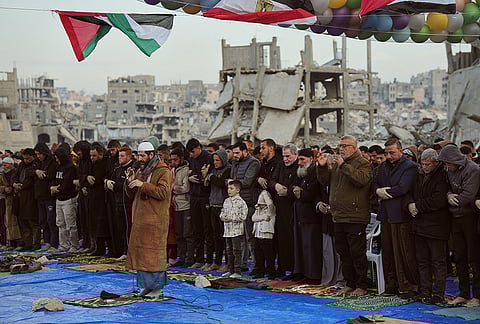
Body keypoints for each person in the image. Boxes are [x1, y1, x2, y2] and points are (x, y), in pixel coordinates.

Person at [317, 135, 372, 296]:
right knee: (344, 252)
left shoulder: (363, 164)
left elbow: (361, 180)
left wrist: (343, 165)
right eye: (340, 145)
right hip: (338, 215)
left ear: (354, 148)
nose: (341, 149)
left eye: (345, 146)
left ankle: (361, 286)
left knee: (357, 253)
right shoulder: (337, 165)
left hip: (355, 216)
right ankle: (350, 283)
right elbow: (325, 181)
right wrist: (321, 167)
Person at [373, 138, 418, 297]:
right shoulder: (382, 166)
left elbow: (403, 188)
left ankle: (408, 286)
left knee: (404, 253)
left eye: (392, 152)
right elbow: (375, 183)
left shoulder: (410, 166)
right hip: (386, 214)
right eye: (387, 153)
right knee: (388, 253)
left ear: (400, 150)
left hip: (401, 214)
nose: (389, 156)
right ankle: (391, 285)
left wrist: (386, 193)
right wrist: (378, 190)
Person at [127, 141, 172, 298]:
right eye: (138, 155)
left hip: (155, 219)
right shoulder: (144, 170)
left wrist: (142, 184)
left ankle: (157, 288)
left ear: (151, 155)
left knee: (154, 255)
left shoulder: (163, 171)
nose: (139, 158)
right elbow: (134, 191)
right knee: (143, 254)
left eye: (142, 155)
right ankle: (147, 286)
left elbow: (163, 193)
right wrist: (131, 181)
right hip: (141, 219)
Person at [406, 148, 451, 305]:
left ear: (436, 163)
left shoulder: (442, 176)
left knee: (438, 261)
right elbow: (410, 192)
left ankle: (438, 293)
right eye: (423, 164)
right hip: (420, 225)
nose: (424, 167)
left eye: (427, 164)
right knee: (422, 261)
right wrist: (411, 204)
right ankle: (425, 291)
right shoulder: (418, 175)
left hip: (436, 226)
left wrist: (418, 206)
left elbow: (438, 200)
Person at [438, 144, 480, 306]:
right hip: (455, 217)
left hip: (469, 218)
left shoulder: (473, 170)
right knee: (459, 256)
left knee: (474, 258)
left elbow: (469, 194)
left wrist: (453, 201)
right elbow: (448, 188)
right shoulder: (450, 169)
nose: (446, 166)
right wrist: (449, 196)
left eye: (448, 163)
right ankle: (463, 293)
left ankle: (477, 295)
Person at [292, 148, 323, 281]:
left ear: (311, 159)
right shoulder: (303, 173)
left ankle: (313, 276)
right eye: (299, 159)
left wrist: (301, 193)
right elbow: (294, 188)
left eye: (302, 159)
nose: (299, 162)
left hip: (312, 216)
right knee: (304, 246)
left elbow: (310, 194)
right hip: (302, 215)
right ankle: (305, 273)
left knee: (312, 247)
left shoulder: (315, 173)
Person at [231, 141, 261, 274]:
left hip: (249, 203)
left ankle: (255, 265)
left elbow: (247, 182)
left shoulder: (253, 162)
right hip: (237, 204)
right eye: (234, 153)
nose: (235, 155)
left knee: (250, 237)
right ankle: (242, 264)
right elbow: (233, 180)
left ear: (245, 151)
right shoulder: (235, 163)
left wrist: (233, 183)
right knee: (240, 236)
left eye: (237, 153)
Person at [269, 143, 298, 279]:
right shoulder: (280, 165)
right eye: (284, 156)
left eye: (288, 156)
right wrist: (276, 186)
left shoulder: (298, 166)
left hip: (292, 208)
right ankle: (281, 267)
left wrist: (288, 192)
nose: (286, 159)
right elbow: (272, 180)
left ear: (295, 155)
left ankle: (292, 269)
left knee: (291, 239)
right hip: (279, 208)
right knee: (280, 239)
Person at [186, 138, 214, 269]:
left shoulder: (209, 158)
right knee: (196, 229)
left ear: (198, 147)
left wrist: (196, 175)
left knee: (207, 229)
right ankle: (199, 259)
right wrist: (189, 177)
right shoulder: (192, 159)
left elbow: (205, 174)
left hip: (205, 196)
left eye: (192, 151)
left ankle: (209, 260)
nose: (191, 154)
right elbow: (191, 172)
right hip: (194, 196)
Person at [204, 149, 231, 272]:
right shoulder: (213, 170)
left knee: (223, 236)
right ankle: (216, 261)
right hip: (213, 204)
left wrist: (210, 177)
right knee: (214, 235)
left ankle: (227, 263)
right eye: (214, 160)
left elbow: (220, 183)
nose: (215, 162)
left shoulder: (228, 169)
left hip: (223, 206)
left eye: (217, 160)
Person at [106, 146, 134, 260]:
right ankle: (123, 250)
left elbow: (127, 185)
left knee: (128, 228)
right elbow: (111, 178)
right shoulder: (117, 168)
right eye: (119, 156)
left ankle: (130, 251)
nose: (119, 158)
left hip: (127, 203)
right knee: (120, 228)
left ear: (128, 156)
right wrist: (107, 182)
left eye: (122, 156)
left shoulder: (132, 168)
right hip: (117, 202)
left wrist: (115, 186)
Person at [51, 148, 79, 253]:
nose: (56, 160)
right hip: (59, 199)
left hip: (69, 199)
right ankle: (63, 244)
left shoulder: (71, 167)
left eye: (57, 158)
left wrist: (57, 188)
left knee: (71, 224)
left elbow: (67, 183)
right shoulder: (58, 167)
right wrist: (52, 187)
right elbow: (54, 179)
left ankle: (74, 245)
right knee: (60, 223)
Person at [219, 180, 248, 279]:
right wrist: (223, 217)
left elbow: (243, 216)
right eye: (228, 188)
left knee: (236, 251)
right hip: (227, 231)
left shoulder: (241, 202)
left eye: (231, 188)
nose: (229, 190)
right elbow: (222, 213)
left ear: (238, 190)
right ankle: (230, 270)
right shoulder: (226, 201)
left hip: (236, 231)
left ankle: (237, 271)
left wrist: (231, 218)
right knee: (229, 251)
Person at [170, 148, 193, 267]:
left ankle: (189, 258)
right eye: (172, 159)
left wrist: (174, 188)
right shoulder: (172, 170)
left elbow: (185, 188)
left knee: (187, 234)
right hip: (176, 205)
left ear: (181, 158)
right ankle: (181, 257)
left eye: (175, 159)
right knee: (178, 233)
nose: (173, 162)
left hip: (185, 204)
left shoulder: (186, 170)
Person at [33, 143, 59, 252]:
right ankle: (47, 242)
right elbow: (30, 172)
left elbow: (50, 174)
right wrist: (36, 171)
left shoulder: (52, 161)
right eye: (37, 154)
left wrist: (43, 175)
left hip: (49, 196)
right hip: (40, 196)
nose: (38, 156)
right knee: (43, 220)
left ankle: (54, 243)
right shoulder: (37, 162)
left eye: (39, 154)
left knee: (51, 220)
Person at [13, 148, 39, 250]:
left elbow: (31, 180)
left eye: (28, 158)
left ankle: (36, 244)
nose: (26, 160)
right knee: (23, 221)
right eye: (24, 158)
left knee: (32, 221)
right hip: (21, 197)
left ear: (33, 157)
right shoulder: (22, 165)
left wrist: (21, 186)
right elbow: (15, 176)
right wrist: (15, 184)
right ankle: (27, 243)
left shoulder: (35, 165)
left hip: (31, 197)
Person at [87, 142, 110, 256]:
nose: (92, 158)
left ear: (100, 154)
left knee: (103, 225)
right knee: (95, 224)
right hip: (93, 197)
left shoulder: (106, 163)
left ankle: (103, 248)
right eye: (91, 156)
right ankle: (97, 247)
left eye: (94, 156)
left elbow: (102, 178)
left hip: (103, 198)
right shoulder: (92, 164)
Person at [252, 189, 276, 279]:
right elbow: (253, 218)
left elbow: (270, 204)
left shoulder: (271, 209)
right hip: (258, 235)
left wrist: (264, 193)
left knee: (269, 256)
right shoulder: (258, 210)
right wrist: (263, 217)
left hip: (267, 236)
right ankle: (260, 272)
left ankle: (271, 273)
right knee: (258, 255)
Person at [0, 157, 21, 248]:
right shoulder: (2, 175)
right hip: (7, 200)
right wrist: (4, 189)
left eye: (6, 164)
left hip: (17, 199)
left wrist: (13, 188)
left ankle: (20, 242)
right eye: (3, 164)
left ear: (11, 164)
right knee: (9, 221)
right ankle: (12, 242)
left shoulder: (16, 173)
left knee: (18, 221)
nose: (4, 166)